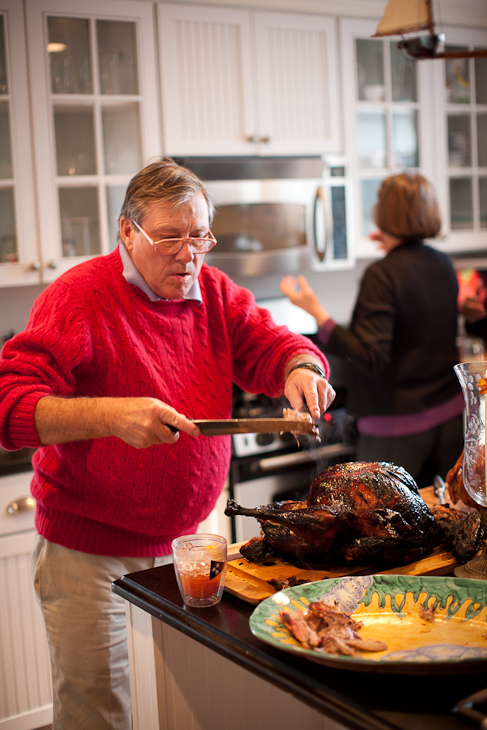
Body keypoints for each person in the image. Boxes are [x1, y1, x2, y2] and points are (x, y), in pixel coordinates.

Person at [0, 158, 335, 730]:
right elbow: (9, 407)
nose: (190, 255)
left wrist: (300, 368)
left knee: (195, 701)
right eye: (171, 237)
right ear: (127, 232)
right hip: (92, 557)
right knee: (98, 717)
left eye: (200, 235)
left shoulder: (213, 290)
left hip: (191, 547)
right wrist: (111, 417)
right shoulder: (79, 297)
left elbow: (271, 343)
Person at [280, 171, 465, 488]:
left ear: (386, 213)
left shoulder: (382, 275)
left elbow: (371, 357)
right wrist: (395, 245)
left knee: (382, 522)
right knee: (444, 514)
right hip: (448, 417)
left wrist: (316, 313)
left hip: (398, 428)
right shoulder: (443, 263)